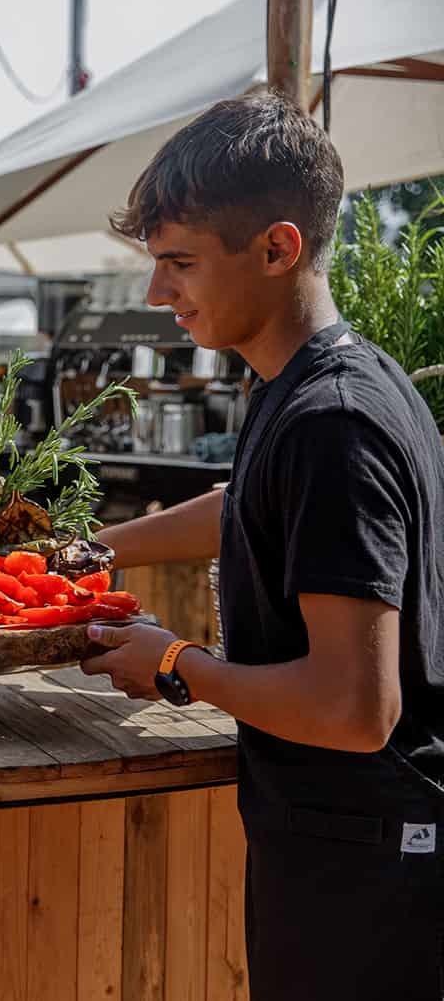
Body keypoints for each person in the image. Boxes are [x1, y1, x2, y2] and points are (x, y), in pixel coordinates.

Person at [84, 91, 444, 999]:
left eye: (179, 263)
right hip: (342, 848)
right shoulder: (319, 382)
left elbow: (356, 707)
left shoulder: (334, 423)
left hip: (374, 872)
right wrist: (89, 554)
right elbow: (244, 501)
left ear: (279, 248)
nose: (158, 292)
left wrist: (176, 664)